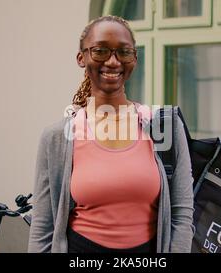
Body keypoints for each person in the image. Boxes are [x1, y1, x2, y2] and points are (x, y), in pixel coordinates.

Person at [28, 15, 194, 253]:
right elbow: (43, 228)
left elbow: (182, 212)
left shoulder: (164, 127)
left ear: (134, 59)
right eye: (100, 51)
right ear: (81, 58)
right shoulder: (57, 137)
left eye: (123, 52)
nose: (113, 61)